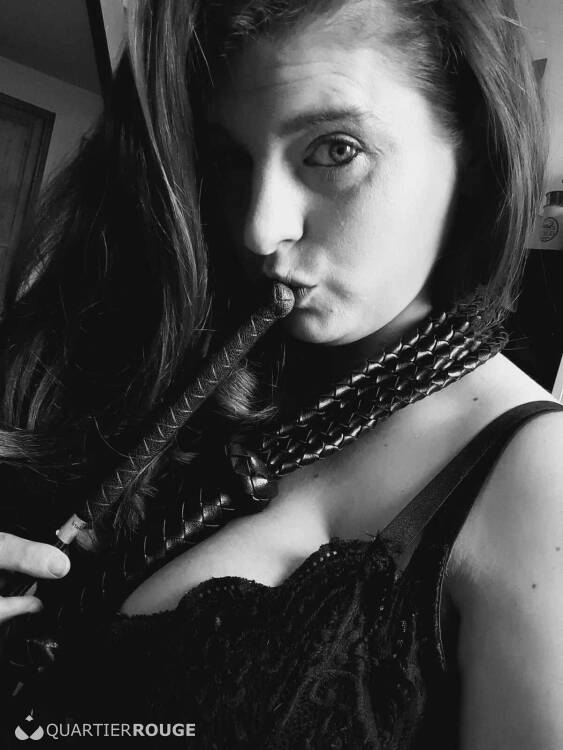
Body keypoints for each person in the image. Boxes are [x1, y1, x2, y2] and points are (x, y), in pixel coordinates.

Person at [0, 0, 562, 747]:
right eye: (232, 161)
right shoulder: (197, 363)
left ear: (474, 155)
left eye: (335, 149)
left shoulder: (540, 477)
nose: (260, 229)